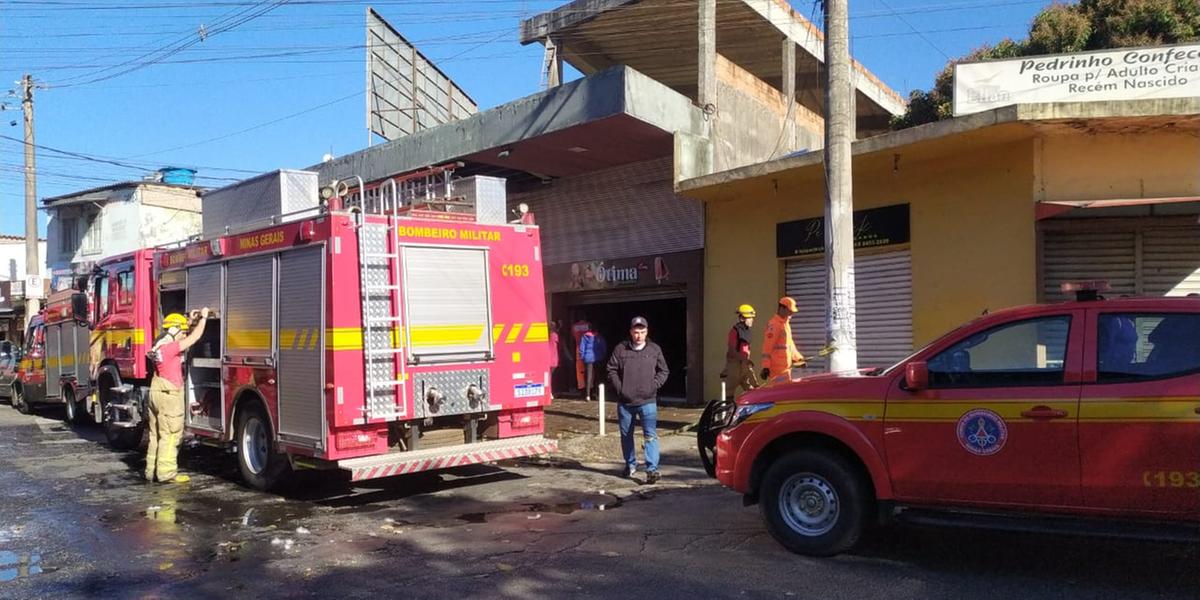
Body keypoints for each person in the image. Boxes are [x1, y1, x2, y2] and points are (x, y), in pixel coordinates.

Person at [145, 308, 210, 484]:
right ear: (174, 330)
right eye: (181, 331)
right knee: (171, 435)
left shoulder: (159, 346)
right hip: (169, 396)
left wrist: (190, 320)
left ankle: (151, 472)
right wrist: (204, 318)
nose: (184, 334)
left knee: (156, 435)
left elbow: (184, 334)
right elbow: (194, 338)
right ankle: (166, 474)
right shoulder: (170, 348)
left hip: (156, 393)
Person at [607, 316, 669, 484]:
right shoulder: (621, 349)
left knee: (650, 436)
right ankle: (630, 464)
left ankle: (652, 470)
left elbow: (664, 371)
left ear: (647, 332)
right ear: (631, 332)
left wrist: (653, 385)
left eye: (642, 332)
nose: (639, 335)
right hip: (625, 403)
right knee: (626, 435)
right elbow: (611, 369)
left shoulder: (654, 350)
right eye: (636, 332)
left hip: (648, 402)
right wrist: (621, 389)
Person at [760, 297, 805, 385]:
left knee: (784, 394)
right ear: (782, 308)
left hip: (785, 369)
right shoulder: (774, 325)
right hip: (777, 370)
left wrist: (798, 358)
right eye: (789, 311)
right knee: (779, 395)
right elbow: (767, 347)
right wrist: (766, 367)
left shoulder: (785, 325)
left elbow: (790, 345)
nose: (791, 313)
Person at [721, 304, 760, 397]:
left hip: (744, 365)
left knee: (754, 388)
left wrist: (746, 360)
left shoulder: (747, 331)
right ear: (742, 318)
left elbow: (746, 348)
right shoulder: (734, 331)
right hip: (735, 365)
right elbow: (732, 350)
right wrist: (743, 359)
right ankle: (727, 410)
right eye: (750, 318)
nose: (752, 320)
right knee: (729, 391)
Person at [571, 316, 591, 397]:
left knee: (579, 370)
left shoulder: (574, 326)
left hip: (578, 347)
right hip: (588, 347)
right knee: (589, 370)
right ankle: (590, 387)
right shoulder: (588, 324)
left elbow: (573, 335)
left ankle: (581, 387)